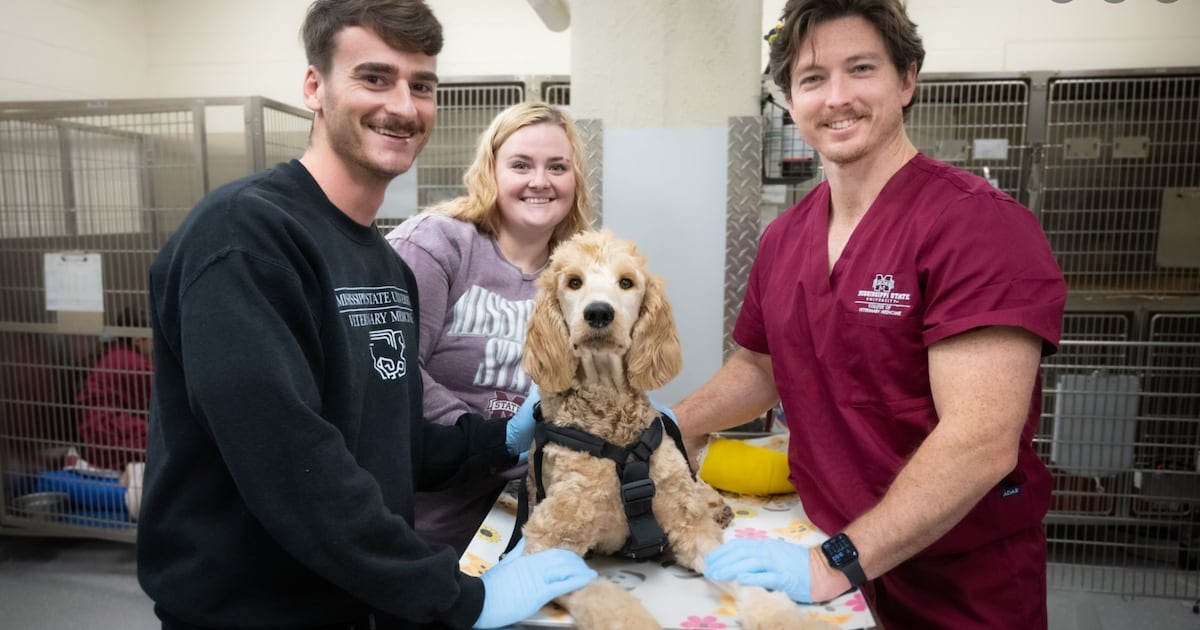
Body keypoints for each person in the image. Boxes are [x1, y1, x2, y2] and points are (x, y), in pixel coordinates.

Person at [136, 2, 595, 629]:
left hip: (359, 600)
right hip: (253, 611)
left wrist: (503, 437)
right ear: (314, 88)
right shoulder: (246, 237)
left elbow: (393, 441)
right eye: (374, 78)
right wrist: (458, 596)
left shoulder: (384, 265)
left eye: (421, 85)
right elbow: (291, 462)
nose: (403, 107)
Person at [681, 1, 1068, 628]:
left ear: (906, 78)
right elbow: (762, 364)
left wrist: (836, 563)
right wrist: (672, 425)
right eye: (811, 79)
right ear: (789, 100)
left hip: (957, 583)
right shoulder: (785, 237)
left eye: (860, 69)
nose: (836, 98)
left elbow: (981, 440)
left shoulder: (977, 225)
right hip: (834, 557)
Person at [385, 101, 593, 555]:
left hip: (534, 516)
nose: (540, 181)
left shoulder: (577, 273)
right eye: (521, 165)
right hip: (427, 523)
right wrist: (489, 439)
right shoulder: (435, 244)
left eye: (557, 166)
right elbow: (392, 370)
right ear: (490, 171)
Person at [75, 307, 154, 471]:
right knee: (157, 436)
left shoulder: (117, 352)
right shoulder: (133, 363)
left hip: (95, 427)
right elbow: (157, 393)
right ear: (138, 340)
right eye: (152, 339)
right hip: (104, 428)